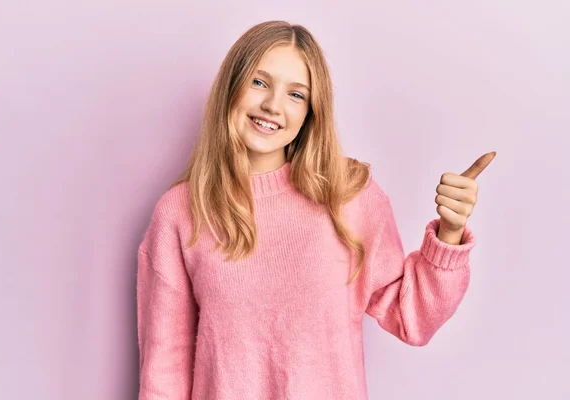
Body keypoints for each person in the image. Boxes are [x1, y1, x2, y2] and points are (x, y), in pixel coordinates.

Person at [136, 20, 495, 400]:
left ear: (311, 111)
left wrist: (450, 233)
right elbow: (165, 369)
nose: (273, 105)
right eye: (259, 82)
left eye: (296, 94)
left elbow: (414, 318)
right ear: (231, 87)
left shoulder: (348, 195)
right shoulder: (179, 213)